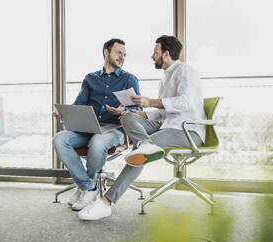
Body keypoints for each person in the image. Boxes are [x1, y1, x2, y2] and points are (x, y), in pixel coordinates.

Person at [77, 35, 206, 221]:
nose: (152, 56)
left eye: (156, 52)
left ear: (166, 54)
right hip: (166, 126)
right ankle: (144, 143)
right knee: (127, 115)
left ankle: (106, 203)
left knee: (138, 155)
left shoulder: (186, 71)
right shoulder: (165, 79)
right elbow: (163, 113)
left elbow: (185, 103)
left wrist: (150, 101)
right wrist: (142, 113)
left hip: (187, 131)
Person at [52, 38, 141, 211]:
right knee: (60, 139)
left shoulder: (129, 79)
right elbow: (80, 106)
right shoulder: (90, 78)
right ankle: (88, 187)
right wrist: (64, 114)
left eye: (124, 54)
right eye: (118, 53)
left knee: (98, 142)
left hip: (115, 129)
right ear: (106, 53)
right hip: (89, 128)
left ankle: (86, 185)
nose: (122, 57)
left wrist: (123, 111)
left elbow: (137, 108)